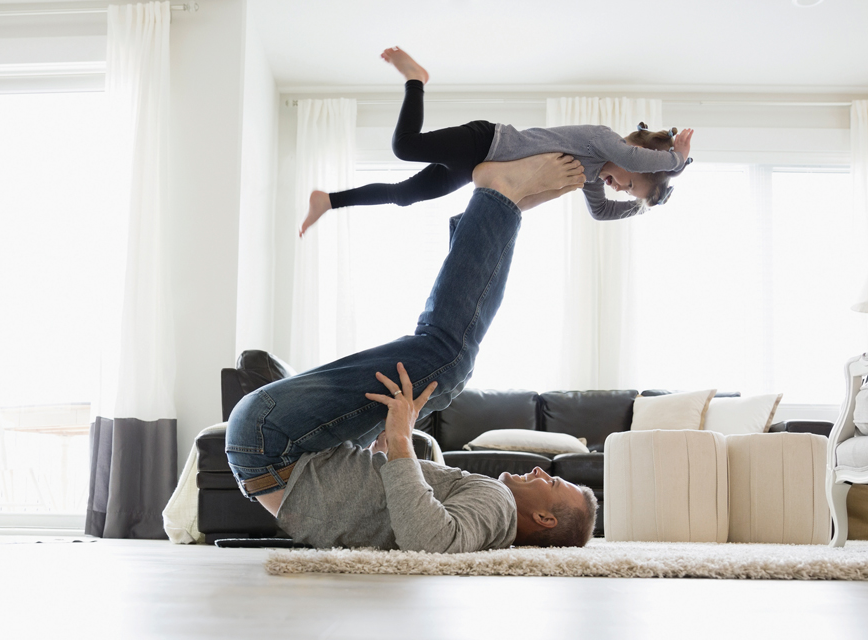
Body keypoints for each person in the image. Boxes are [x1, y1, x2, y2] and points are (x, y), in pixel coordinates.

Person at [227, 153, 597, 553]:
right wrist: (384, 451)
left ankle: (499, 199)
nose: (543, 471)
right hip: (281, 452)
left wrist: (402, 441)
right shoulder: (494, 516)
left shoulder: (499, 504)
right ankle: (501, 207)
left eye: (553, 483)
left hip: (275, 442)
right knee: (443, 384)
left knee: (447, 358)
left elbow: (430, 540)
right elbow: (380, 510)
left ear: (545, 519)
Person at [298, 46, 695, 237]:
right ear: (639, 156)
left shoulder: (588, 176)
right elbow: (640, 162)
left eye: (627, 192)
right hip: (486, 141)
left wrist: (642, 210)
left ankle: (329, 201)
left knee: (405, 196)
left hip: (473, 169)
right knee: (405, 146)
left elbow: (601, 213)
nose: (619, 188)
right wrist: (675, 163)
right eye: (629, 183)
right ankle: (416, 78)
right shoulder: (601, 142)